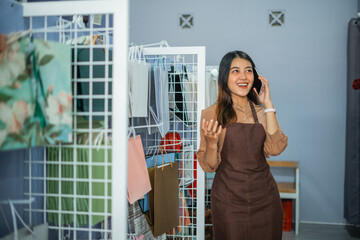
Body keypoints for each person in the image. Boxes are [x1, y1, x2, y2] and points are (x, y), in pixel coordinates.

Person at [196, 50, 288, 240]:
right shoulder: (211, 114)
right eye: (235, 71)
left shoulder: (262, 112)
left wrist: (268, 105)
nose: (243, 77)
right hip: (229, 201)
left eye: (248, 71)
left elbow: (275, 148)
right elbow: (209, 166)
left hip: (265, 198)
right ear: (224, 77)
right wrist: (212, 144)